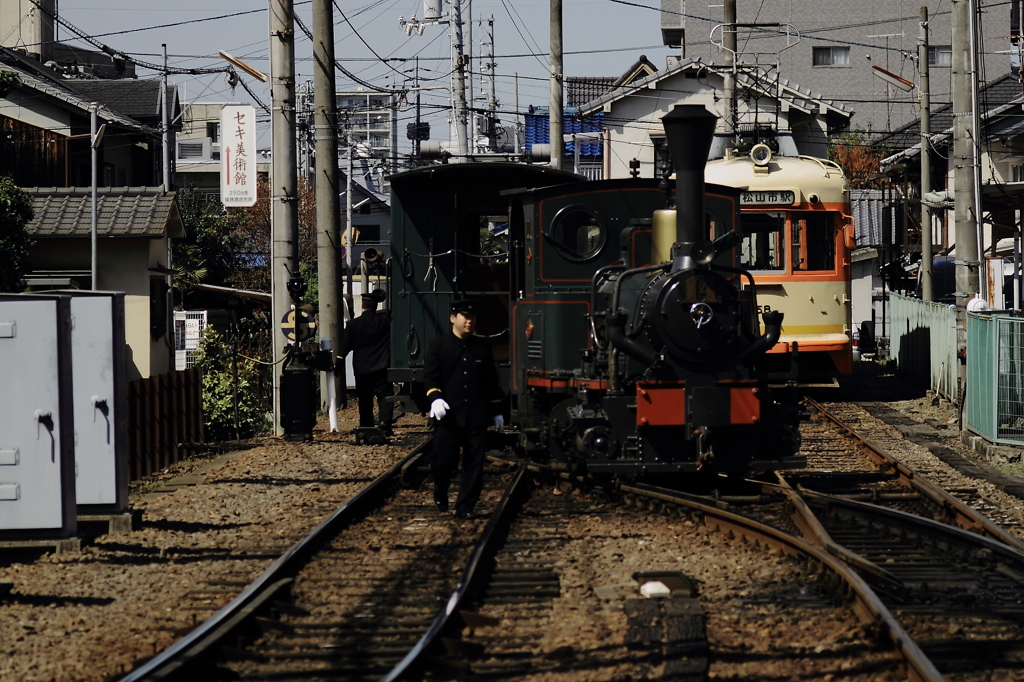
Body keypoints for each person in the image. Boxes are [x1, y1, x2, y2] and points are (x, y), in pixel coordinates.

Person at [424, 299, 504, 519]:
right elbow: (431, 377)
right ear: (453, 318)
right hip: (449, 416)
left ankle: (465, 506)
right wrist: (435, 398)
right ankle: (440, 491)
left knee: (474, 465)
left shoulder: (482, 347)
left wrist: (497, 411)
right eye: (465, 316)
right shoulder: (438, 346)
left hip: (476, 415)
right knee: (441, 462)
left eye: (472, 317)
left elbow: (490, 382)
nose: (469, 321)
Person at [338, 288, 394, 433]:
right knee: (385, 396)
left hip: (361, 368)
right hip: (382, 366)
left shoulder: (353, 325)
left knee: (364, 399)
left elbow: (344, 347)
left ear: (362, 305)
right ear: (376, 306)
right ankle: (385, 424)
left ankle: (366, 425)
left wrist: (339, 361)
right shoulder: (385, 322)